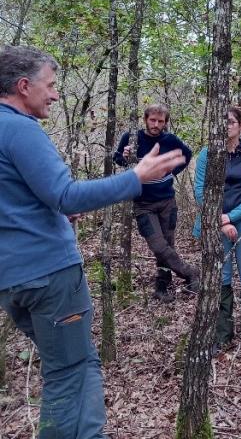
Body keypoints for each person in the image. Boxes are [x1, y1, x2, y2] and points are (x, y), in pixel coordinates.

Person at [0, 45, 185, 438]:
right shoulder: (17, 128)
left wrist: (51, 213)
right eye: (49, 86)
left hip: (12, 280)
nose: (54, 94)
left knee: (73, 365)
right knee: (71, 373)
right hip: (48, 276)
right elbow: (65, 193)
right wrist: (137, 177)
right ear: (22, 86)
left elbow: (18, 201)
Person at [194, 107, 241, 354]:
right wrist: (221, 220)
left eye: (231, 121)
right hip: (215, 223)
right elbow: (200, 190)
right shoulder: (207, 154)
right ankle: (222, 335)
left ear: (239, 125)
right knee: (221, 278)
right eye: (222, 121)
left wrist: (232, 217)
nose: (226, 125)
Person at [113, 104, 197, 303]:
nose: (156, 124)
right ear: (146, 119)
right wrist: (124, 157)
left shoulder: (170, 140)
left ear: (165, 123)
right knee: (159, 247)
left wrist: (171, 171)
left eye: (160, 121)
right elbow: (118, 159)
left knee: (168, 245)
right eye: (153, 120)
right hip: (143, 204)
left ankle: (162, 286)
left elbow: (187, 155)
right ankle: (190, 273)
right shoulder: (131, 138)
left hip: (167, 201)